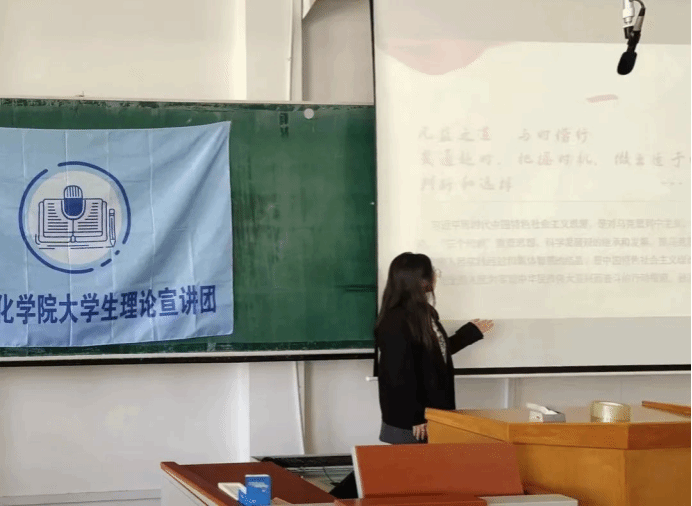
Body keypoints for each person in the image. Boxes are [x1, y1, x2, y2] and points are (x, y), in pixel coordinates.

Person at [375, 252, 494, 444]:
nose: (435, 276)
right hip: (412, 420)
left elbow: (434, 354)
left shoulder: (425, 313)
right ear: (421, 281)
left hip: (433, 412)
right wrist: (416, 417)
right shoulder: (396, 320)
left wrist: (469, 333)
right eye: (433, 272)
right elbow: (399, 373)